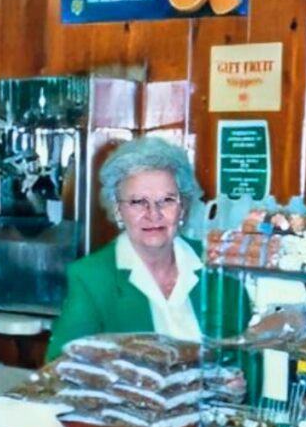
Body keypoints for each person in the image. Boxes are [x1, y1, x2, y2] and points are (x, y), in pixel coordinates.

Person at [45, 137, 248, 361]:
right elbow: (61, 367)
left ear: (183, 208)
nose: (153, 214)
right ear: (118, 211)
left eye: (167, 200)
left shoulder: (218, 266)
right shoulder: (92, 278)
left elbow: (248, 356)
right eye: (137, 202)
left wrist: (238, 384)